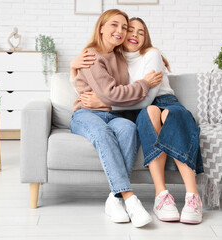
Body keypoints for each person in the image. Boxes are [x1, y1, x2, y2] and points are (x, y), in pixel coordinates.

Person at [72, 17, 204, 224]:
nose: (133, 34)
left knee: (172, 115)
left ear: (146, 38)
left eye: (140, 32)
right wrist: (73, 68)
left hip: (159, 101)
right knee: (149, 115)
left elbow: (148, 98)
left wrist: (106, 104)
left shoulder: (151, 54)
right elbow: (91, 83)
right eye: (129, 30)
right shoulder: (116, 57)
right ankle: (161, 196)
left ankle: (192, 197)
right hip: (136, 108)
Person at [69, 9, 164, 228]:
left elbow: (116, 97)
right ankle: (130, 199)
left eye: (123, 27)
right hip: (85, 113)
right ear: (101, 27)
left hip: (114, 114)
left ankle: (114, 199)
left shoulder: (120, 57)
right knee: (102, 133)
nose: (120, 31)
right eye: (114, 25)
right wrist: (144, 84)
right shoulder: (92, 55)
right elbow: (112, 93)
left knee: (129, 129)